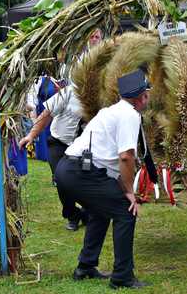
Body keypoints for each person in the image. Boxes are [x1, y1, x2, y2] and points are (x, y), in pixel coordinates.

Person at [55, 69, 151, 289]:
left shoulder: (111, 111)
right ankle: (123, 277)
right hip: (81, 172)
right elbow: (126, 157)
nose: (148, 98)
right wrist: (129, 193)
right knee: (126, 212)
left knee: (100, 212)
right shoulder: (130, 115)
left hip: (68, 168)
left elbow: (109, 163)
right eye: (147, 93)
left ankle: (85, 266)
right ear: (141, 97)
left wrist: (121, 186)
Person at [19, 83, 88, 230]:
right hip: (59, 143)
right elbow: (46, 114)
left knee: (87, 177)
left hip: (85, 149)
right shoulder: (69, 92)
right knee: (61, 180)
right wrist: (31, 135)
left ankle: (88, 211)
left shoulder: (101, 96)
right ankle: (72, 215)